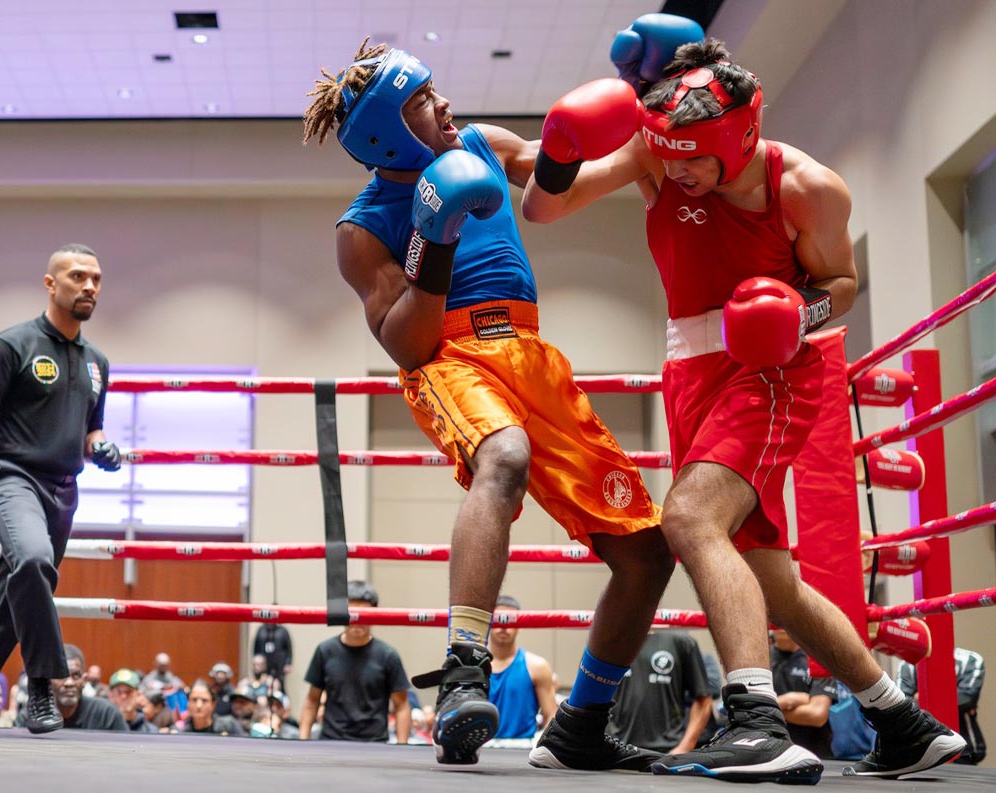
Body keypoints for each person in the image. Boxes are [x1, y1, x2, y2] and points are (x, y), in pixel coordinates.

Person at [521, 13, 967, 782]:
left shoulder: (807, 187)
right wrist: (559, 151)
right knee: (769, 579)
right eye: (672, 159)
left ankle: (757, 720)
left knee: (689, 518)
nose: (679, 173)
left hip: (774, 369)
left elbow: (841, 285)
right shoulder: (658, 153)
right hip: (689, 373)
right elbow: (544, 208)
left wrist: (801, 313)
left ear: (737, 138)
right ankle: (902, 721)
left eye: (695, 160)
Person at [302, 37, 677, 771]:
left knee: (646, 551)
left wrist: (637, 115)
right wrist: (431, 240)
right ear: (384, 131)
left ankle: (583, 721)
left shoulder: (480, 141)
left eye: (434, 89)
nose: (444, 104)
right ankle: (465, 667)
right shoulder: (361, 228)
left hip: (532, 355)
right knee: (502, 455)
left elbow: (560, 186)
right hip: (451, 357)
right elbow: (407, 346)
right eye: (421, 101)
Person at [0, 242, 120, 736]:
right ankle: (41, 685)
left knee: (12, 603)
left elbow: (90, 428)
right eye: (77, 276)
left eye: (96, 278)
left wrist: (102, 447)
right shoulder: (11, 345)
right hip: (12, 477)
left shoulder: (97, 361)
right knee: (34, 563)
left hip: (63, 491)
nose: (90, 286)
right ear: (50, 284)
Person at [297, 581, 411, 743]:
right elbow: (312, 700)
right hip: (331, 742)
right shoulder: (325, 651)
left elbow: (401, 706)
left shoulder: (388, 655)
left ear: (375, 614)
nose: (358, 620)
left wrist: (402, 747)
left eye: (364, 613)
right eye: (352, 613)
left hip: (374, 745)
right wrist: (303, 741)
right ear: (342, 613)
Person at [608, 628, 713, 755]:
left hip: (667, 751)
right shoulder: (607, 639)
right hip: (615, 749)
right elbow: (589, 696)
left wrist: (685, 747)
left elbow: (703, 700)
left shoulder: (681, 641)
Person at [897, 647, 986, 765]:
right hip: (919, 751)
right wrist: (952, 694)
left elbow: (966, 699)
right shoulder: (908, 664)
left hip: (964, 751)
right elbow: (902, 706)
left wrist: (920, 697)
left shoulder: (969, 660)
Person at [487, 595, 558, 740]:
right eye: (499, 619)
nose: (504, 625)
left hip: (522, 750)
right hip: (479, 749)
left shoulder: (537, 666)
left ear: (520, 625)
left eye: (510, 619)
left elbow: (551, 715)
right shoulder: (472, 666)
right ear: (488, 623)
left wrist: (541, 745)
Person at [14, 644, 126, 731]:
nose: (69, 683)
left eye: (76, 676)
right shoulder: (34, 717)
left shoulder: (107, 714)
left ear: (84, 680)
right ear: (49, 681)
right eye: (61, 676)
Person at [769, 628, 838, 758]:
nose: (780, 625)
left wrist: (767, 709)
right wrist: (791, 700)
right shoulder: (760, 659)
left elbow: (816, 715)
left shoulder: (818, 657)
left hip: (815, 755)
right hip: (770, 754)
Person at [179, 679, 245, 736]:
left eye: (204, 700)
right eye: (194, 700)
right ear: (188, 703)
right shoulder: (180, 731)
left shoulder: (229, 726)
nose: (199, 705)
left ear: (213, 704)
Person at [108, 667, 158, 733]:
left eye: (129, 691)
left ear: (138, 694)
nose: (124, 696)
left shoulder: (150, 731)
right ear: (111, 696)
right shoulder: (100, 729)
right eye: (119, 692)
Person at [253, 623, 293, 690]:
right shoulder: (261, 630)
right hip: (263, 664)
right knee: (261, 685)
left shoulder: (282, 631)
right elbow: (255, 647)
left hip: (279, 664)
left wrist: (288, 663)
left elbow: (288, 648)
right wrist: (255, 661)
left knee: (279, 685)